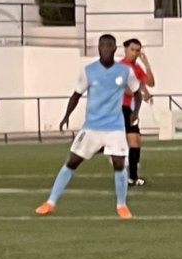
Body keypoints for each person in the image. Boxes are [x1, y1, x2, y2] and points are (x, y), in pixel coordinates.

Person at [34, 34, 140, 219]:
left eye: (109, 45)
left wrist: (135, 112)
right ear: (98, 48)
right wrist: (66, 115)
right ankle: (50, 202)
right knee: (72, 161)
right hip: (92, 127)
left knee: (119, 163)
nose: (105, 49)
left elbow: (138, 93)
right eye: (102, 45)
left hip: (115, 127)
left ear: (114, 49)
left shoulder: (125, 71)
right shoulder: (88, 71)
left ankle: (122, 205)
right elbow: (76, 95)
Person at [120, 39, 155, 186]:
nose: (135, 53)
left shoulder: (137, 68)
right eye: (132, 49)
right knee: (125, 142)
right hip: (119, 108)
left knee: (135, 141)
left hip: (131, 109)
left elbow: (150, 82)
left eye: (138, 50)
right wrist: (138, 92)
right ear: (125, 49)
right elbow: (124, 88)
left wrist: (146, 64)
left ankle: (132, 178)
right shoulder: (120, 67)